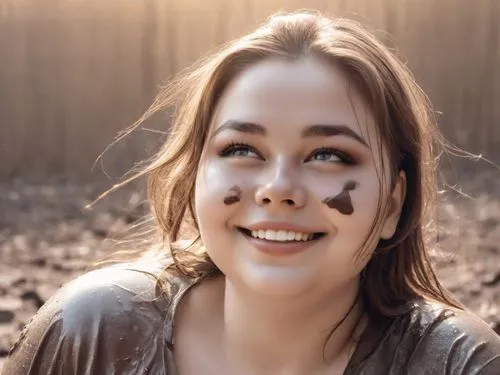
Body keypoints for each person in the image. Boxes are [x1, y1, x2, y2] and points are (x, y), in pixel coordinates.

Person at [3, 11, 500, 375]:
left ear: (392, 204)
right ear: (196, 175)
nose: (277, 188)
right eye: (242, 148)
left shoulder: (457, 364)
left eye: (329, 155)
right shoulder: (90, 335)